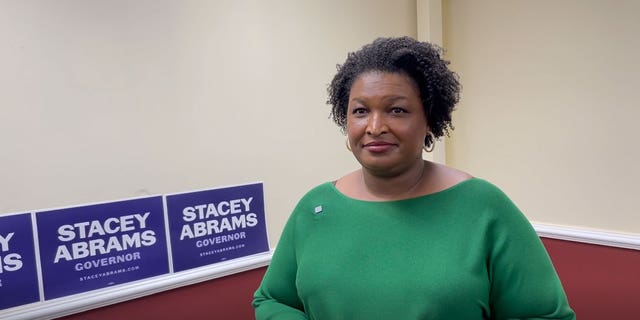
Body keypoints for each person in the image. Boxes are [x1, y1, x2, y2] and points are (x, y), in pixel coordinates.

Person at [253, 36, 575, 319]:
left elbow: (546, 316)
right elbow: (272, 300)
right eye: (360, 111)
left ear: (429, 123)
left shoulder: (483, 208)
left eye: (397, 110)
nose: (375, 126)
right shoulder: (315, 208)